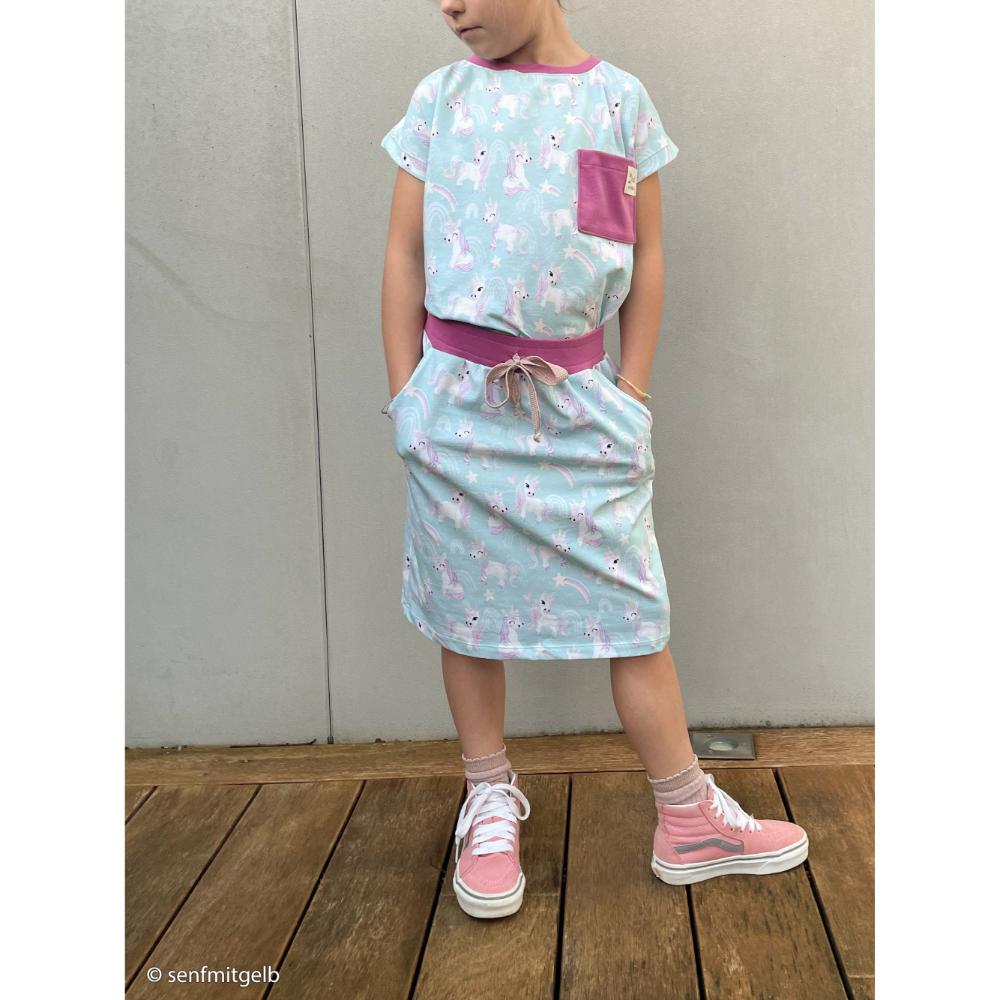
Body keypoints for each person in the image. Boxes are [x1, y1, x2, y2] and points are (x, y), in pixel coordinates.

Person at [379, 0, 808, 920]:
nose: (449, 5)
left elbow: (640, 256)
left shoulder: (617, 104)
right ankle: (488, 797)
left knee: (634, 612)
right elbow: (404, 253)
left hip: (579, 409)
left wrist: (633, 391)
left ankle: (688, 816)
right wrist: (405, 394)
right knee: (466, 610)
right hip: (455, 407)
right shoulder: (440, 100)